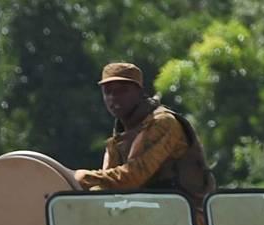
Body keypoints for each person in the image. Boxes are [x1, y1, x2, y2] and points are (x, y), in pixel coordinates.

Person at [74, 62, 214, 197]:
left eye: (122, 90)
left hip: (187, 214)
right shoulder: (124, 130)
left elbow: (133, 177)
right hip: (149, 210)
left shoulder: (163, 123)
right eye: (108, 91)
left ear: (139, 92)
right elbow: (111, 185)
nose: (113, 97)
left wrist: (82, 177)